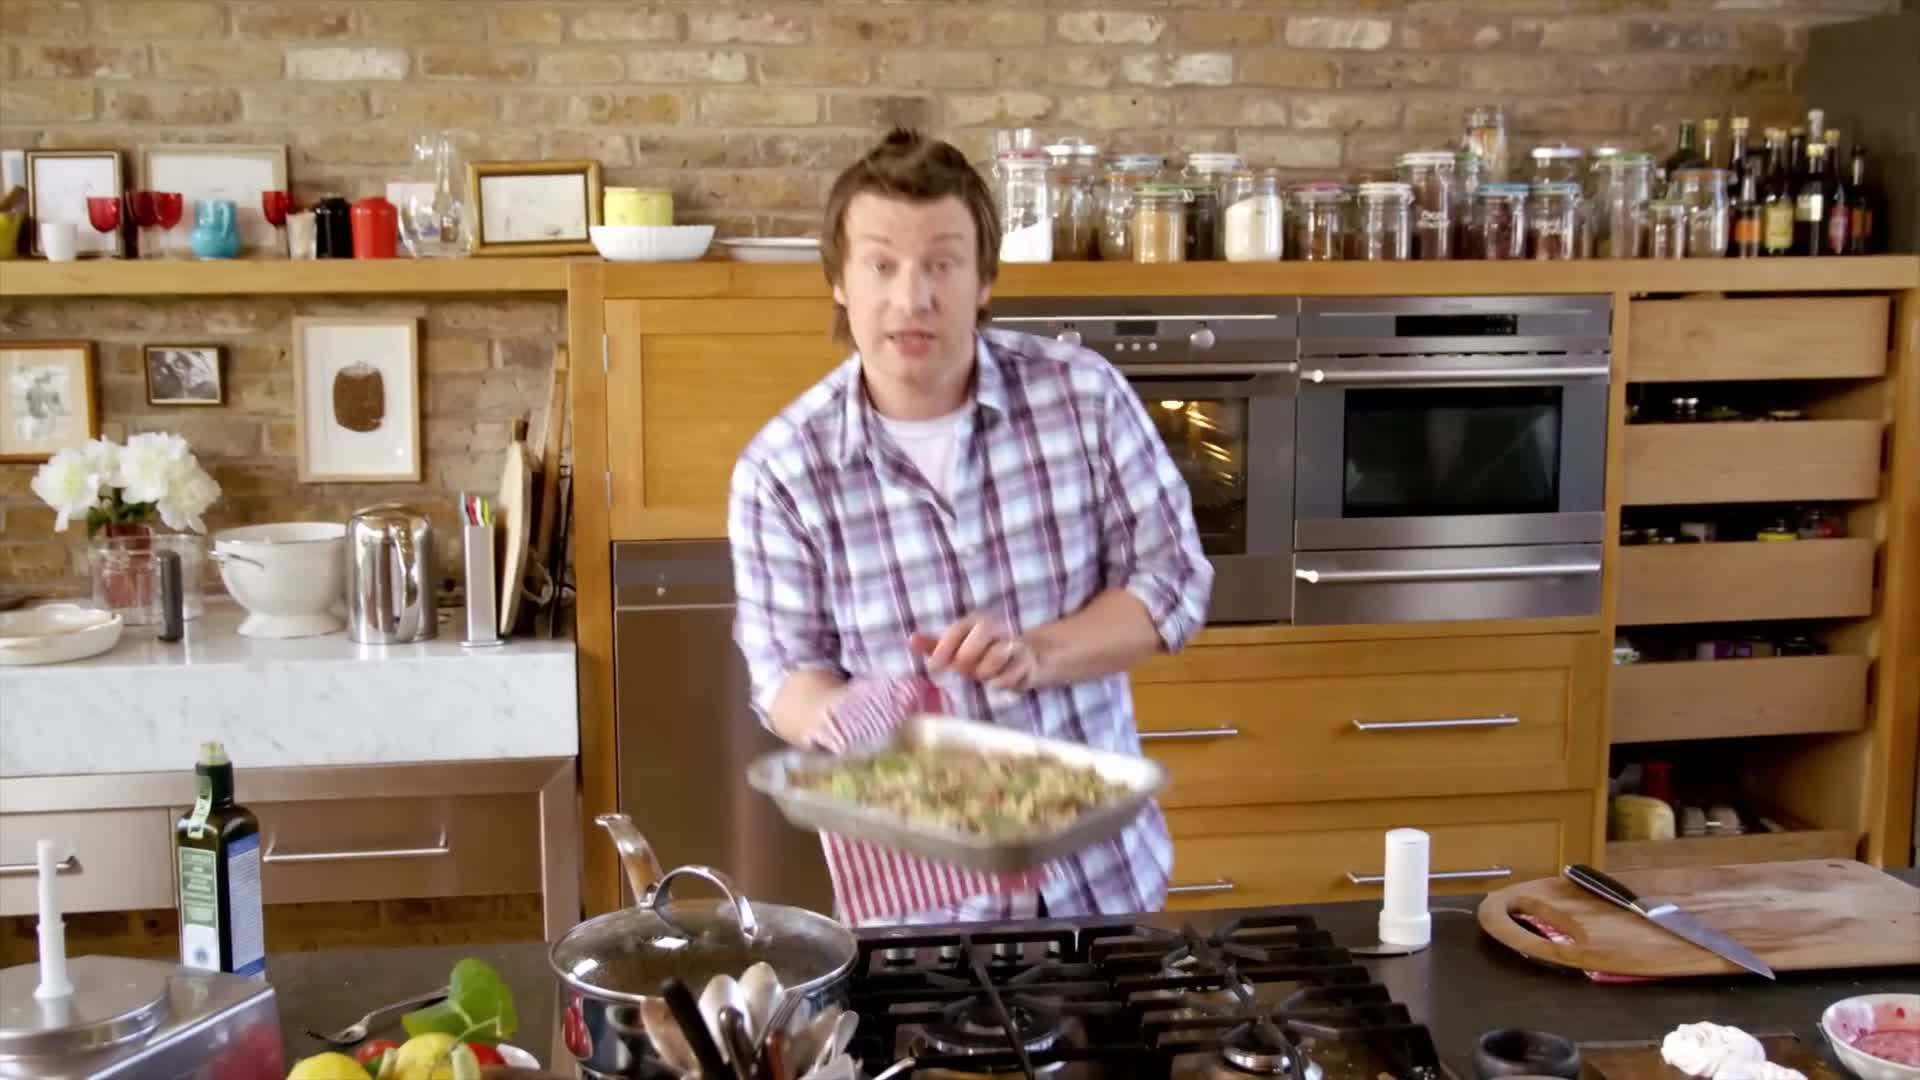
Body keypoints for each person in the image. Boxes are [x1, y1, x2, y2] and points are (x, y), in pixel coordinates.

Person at [728, 129, 1212, 926]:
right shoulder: (781, 470)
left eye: (942, 264)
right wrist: (868, 719)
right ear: (840, 282)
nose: (911, 297)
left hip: (1104, 886)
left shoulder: (1083, 396)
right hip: (918, 921)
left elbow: (1173, 583)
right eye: (881, 264)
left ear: (985, 280)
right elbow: (785, 675)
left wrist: (1036, 654)